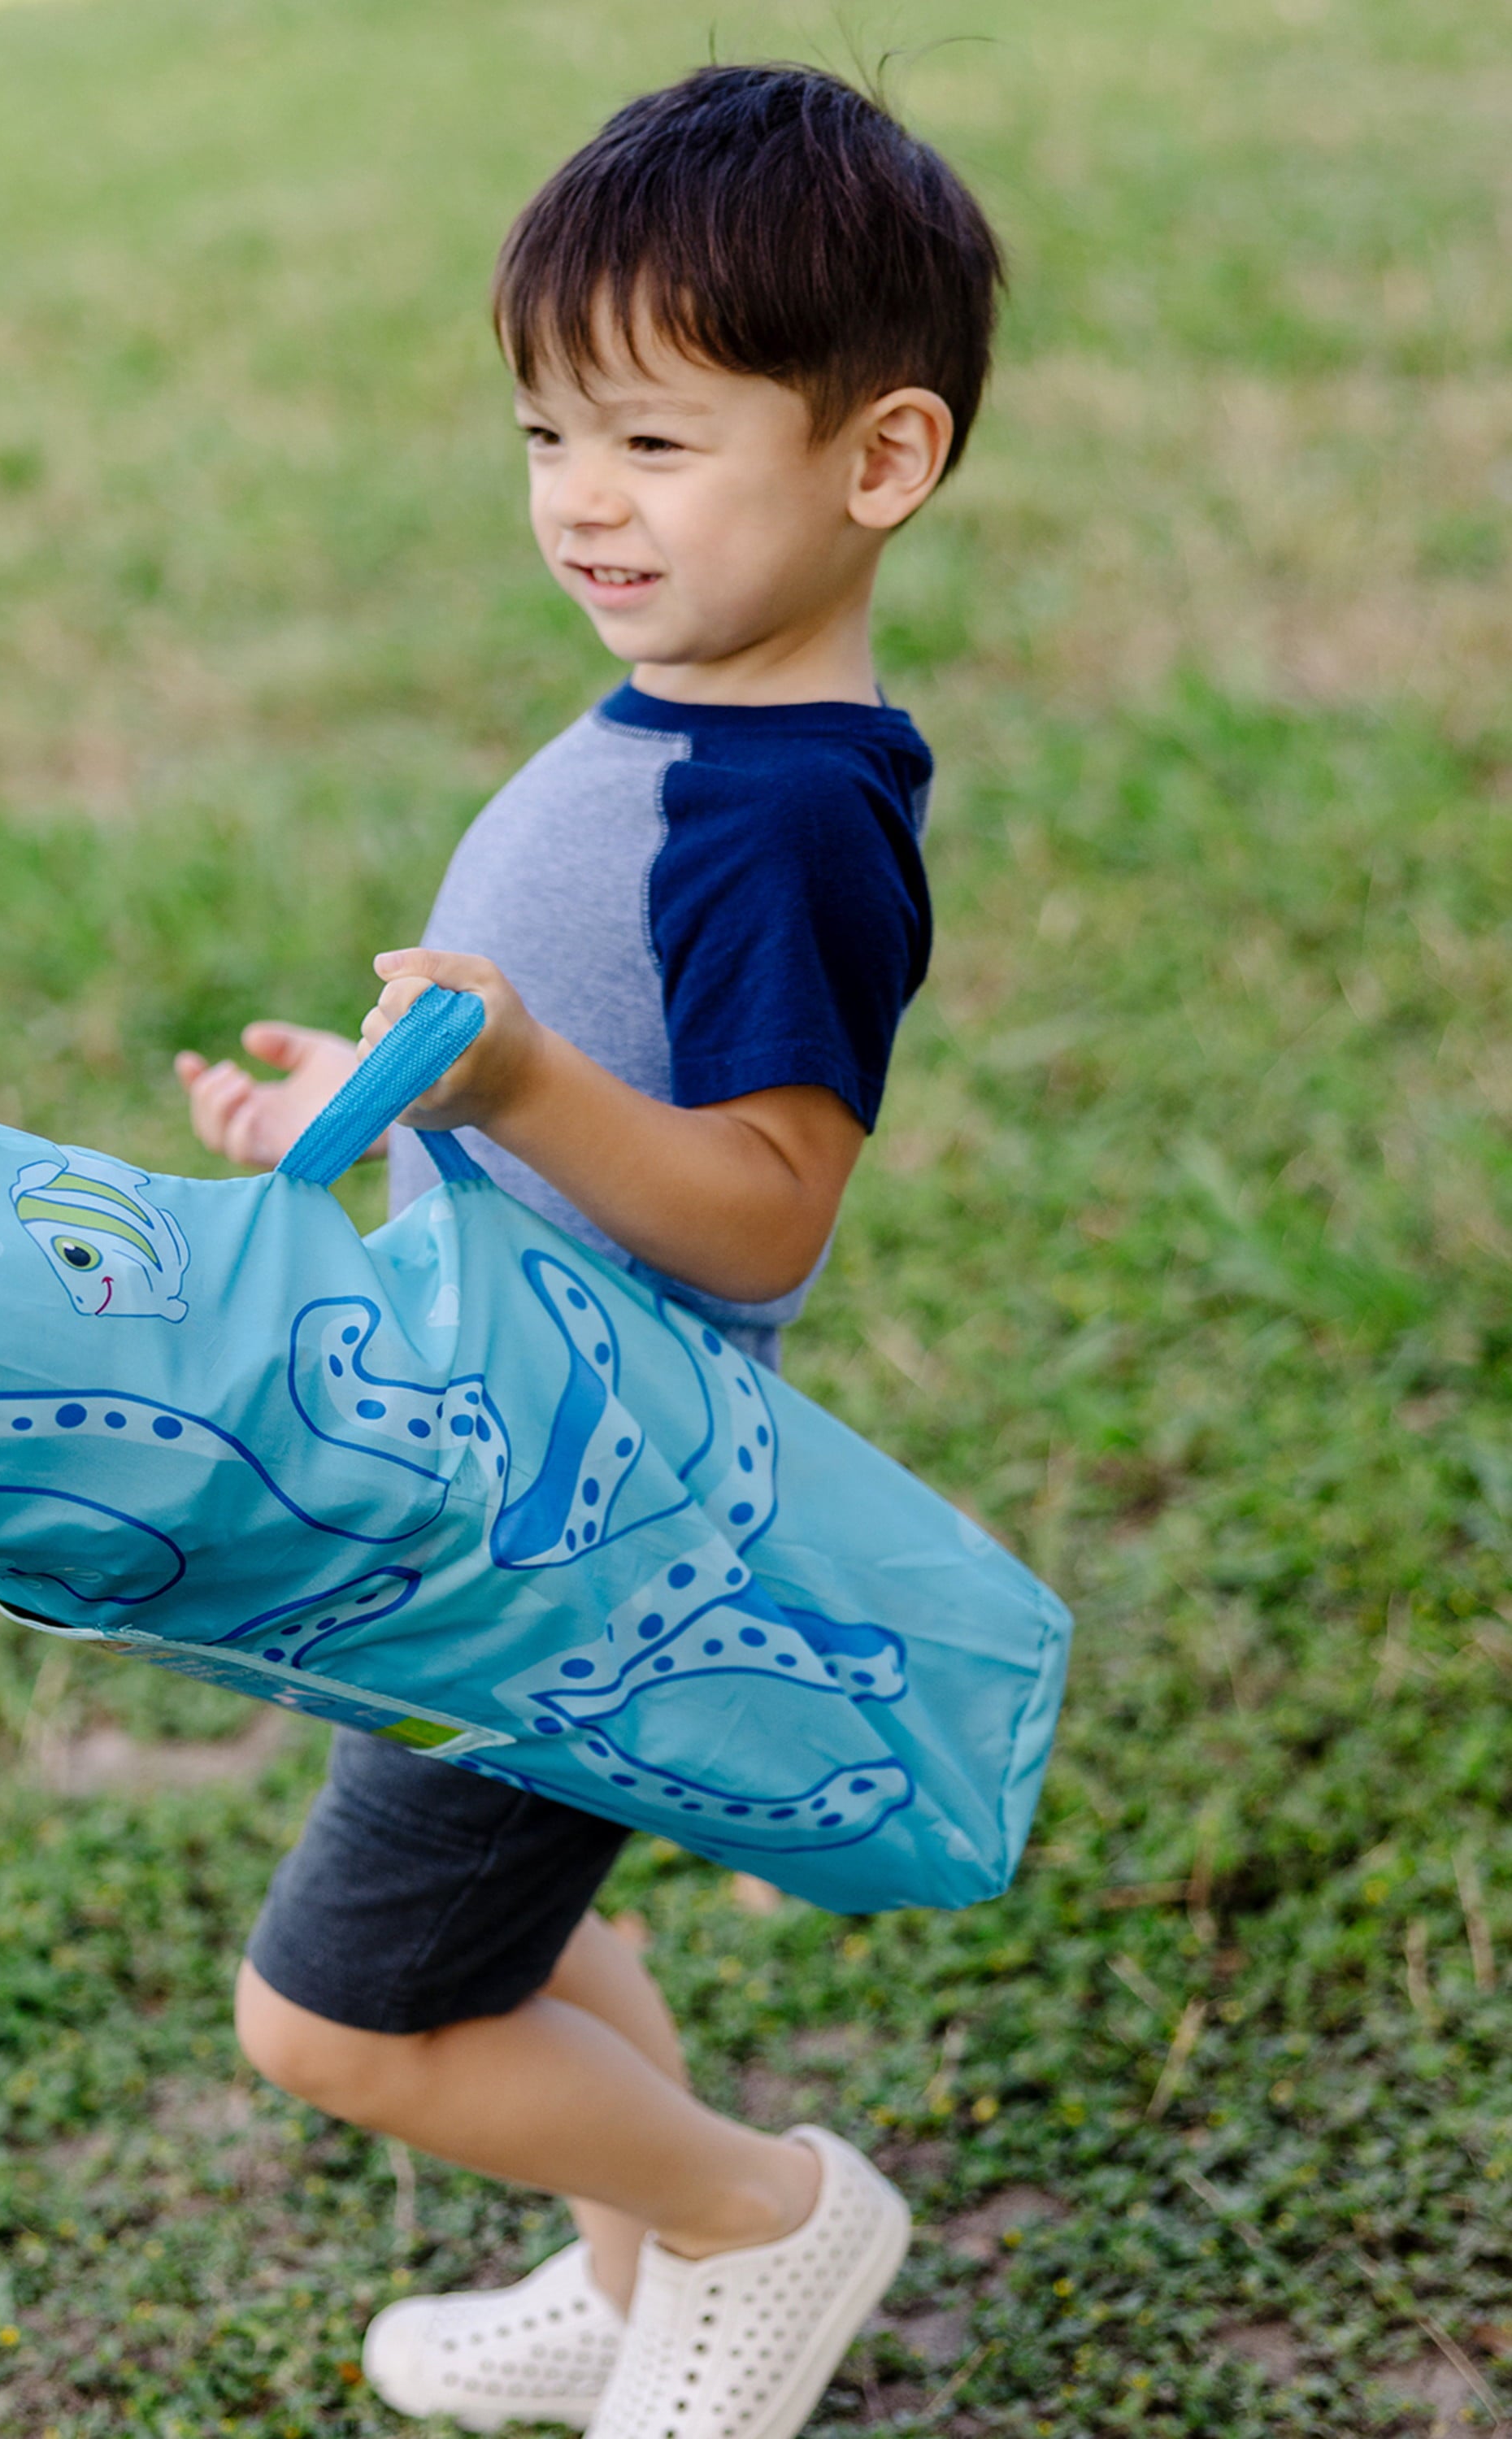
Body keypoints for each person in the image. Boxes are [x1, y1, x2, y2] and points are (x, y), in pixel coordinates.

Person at [171, 61, 1004, 2439]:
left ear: (880, 461)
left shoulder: (787, 822)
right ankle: (639, 2272)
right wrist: (351, 1121)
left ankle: (757, 2224)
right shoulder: (689, 723)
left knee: (336, 2014)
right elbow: (538, 1091)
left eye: (655, 441)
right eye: (550, 435)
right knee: (521, 1928)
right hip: (491, 1452)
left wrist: (515, 1081)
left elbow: (767, 1201)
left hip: (586, 1502)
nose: (582, 503)